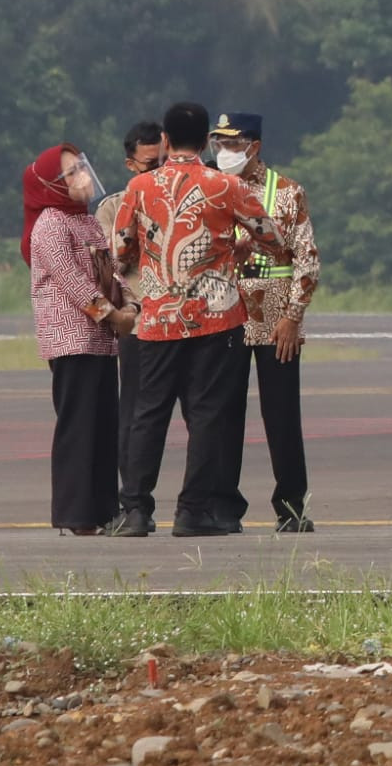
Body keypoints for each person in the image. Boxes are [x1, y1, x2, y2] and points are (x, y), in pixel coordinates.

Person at [106, 101, 291, 537]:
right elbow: (274, 238)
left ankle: (136, 509)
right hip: (216, 317)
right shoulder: (226, 186)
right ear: (207, 139)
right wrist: (235, 246)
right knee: (208, 415)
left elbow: (121, 251)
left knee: (148, 414)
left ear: (165, 141)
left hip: (157, 319)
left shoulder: (140, 187)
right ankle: (193, 511)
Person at [207, 112, 320, 533]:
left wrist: (293, 317)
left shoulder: (287, 193)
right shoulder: (212, 188)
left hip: (275, 316)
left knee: (282, 416)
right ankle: (222, 507)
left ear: (254, 146)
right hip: (227, 314)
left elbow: (307, 259)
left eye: (232, 145)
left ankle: (291, 507)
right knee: (222, 413)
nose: (224, 153)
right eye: (218, 144)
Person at [23, 142, 137, 535]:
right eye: (71, 172)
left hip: (102, 339)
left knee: (105, 424)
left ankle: (104, 510)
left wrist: (131, 305)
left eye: (80, 168)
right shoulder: (51, 223)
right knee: (79, 426)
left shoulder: (86, 221)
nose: (81, 176)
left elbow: (111, 269)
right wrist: (113, 315)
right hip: (72, 338)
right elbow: (72, 281)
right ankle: (76, 514)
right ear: (52, 185)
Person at [96, 120, 163, 521]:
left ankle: (208, 504)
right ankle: (135, 503)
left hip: (186, 320)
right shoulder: (111, 207)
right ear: (130, 164)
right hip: (140, 322)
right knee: (136, 413)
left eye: (164, 161)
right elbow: (110, 266)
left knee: (203, 414)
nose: (158, 171)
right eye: (150, 164)